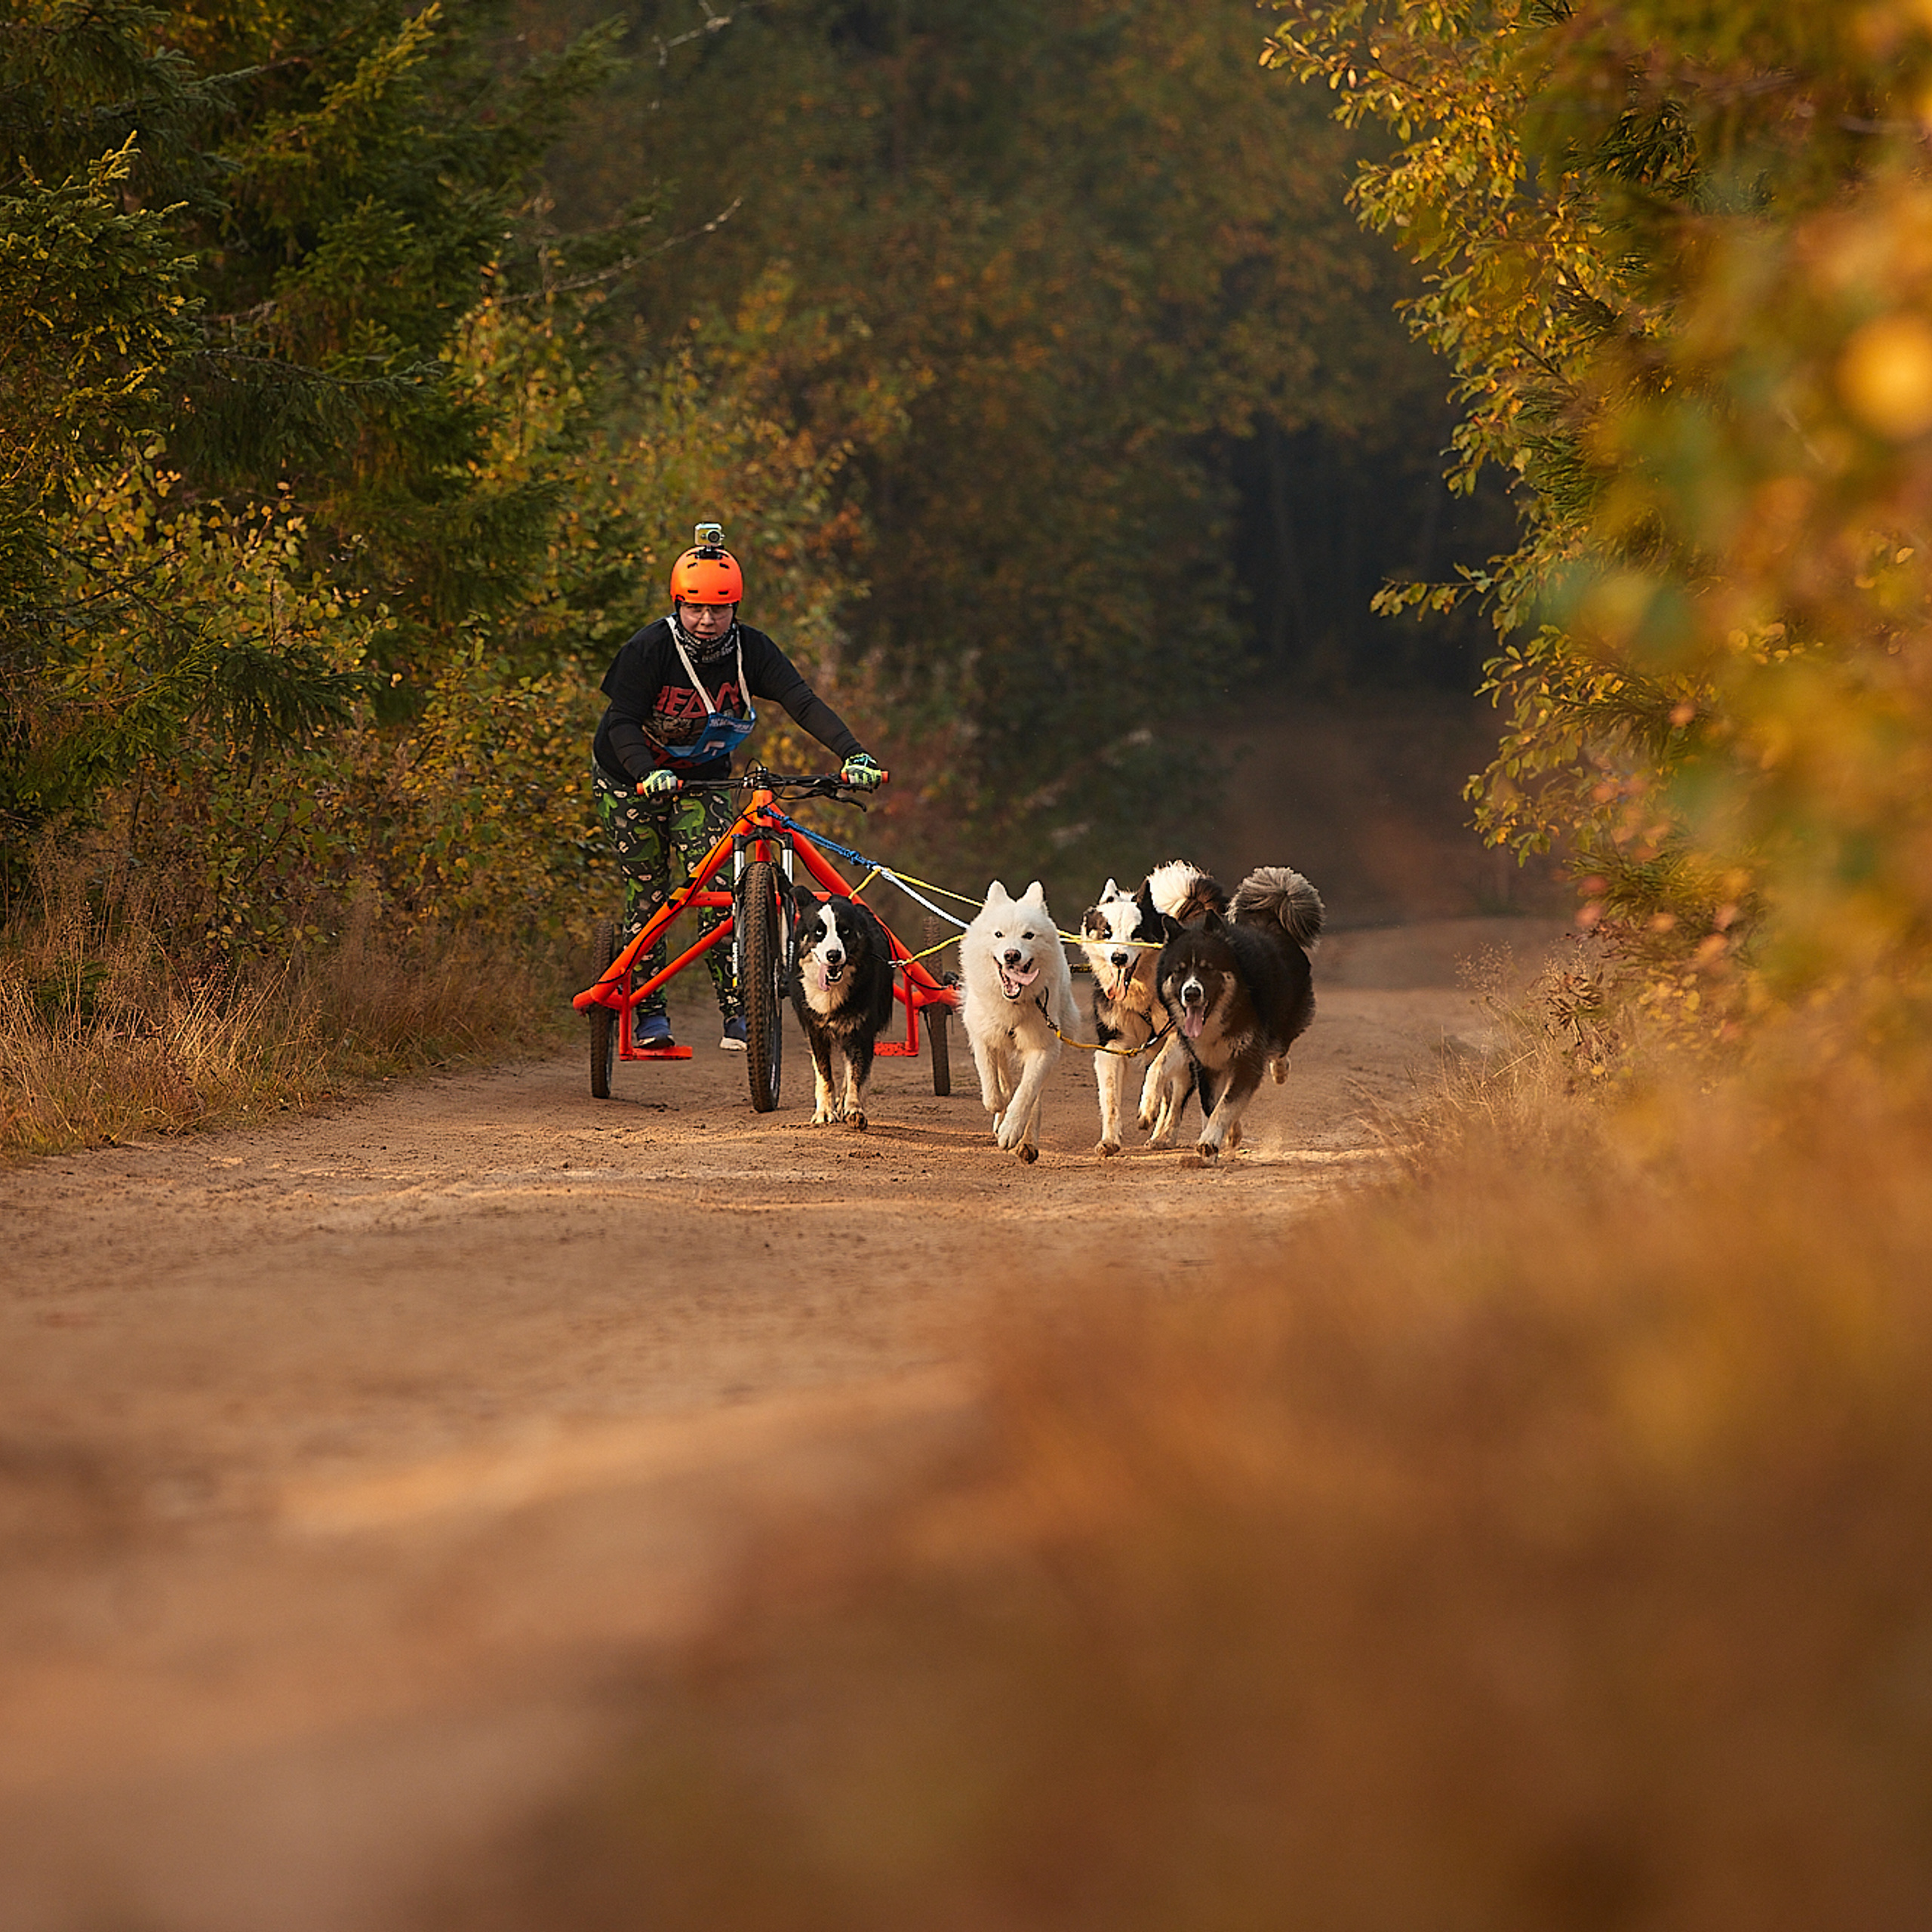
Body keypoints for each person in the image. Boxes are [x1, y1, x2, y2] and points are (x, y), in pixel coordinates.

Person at [592, 524, 884, 1051]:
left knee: (712, 885)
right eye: (696, 608)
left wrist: (853, 753)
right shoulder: (648, 649)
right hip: (627, 777)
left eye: (720, 609)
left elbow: (803, 702)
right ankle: (649, 1011)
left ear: (736, 609)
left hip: (702, 779)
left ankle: (739, 1010)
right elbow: (621, 723)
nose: (707, 621)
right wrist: (644, 774)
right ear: (678, 604)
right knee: (651, 890)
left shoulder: (752, 651)